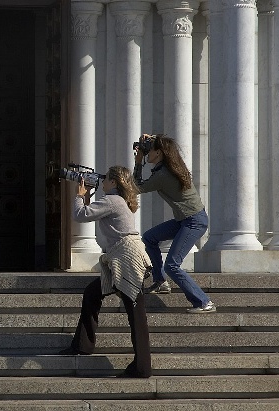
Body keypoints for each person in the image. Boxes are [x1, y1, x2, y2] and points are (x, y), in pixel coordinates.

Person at [58, 166, 153, 379]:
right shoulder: (118, 200)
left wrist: (79, 196)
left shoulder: (112, 200)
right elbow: (92, 212)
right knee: (93, 293)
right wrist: (88, 197)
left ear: (114, 182)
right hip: (122, 256)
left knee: (136, 311)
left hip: (126, 257)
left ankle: (142, 367)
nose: (102, 181)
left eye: (106, 178)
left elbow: (80, 215)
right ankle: (83, 345)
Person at [133, 133, 216, 314]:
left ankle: (203, 302)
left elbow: (136, 187)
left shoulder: (163, 174)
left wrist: (138, 161)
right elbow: (165, 145)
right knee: (149, 238)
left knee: (172, 264)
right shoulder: (172, 166)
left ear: (160, 153)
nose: (148, 153)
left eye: (151, 149)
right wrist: (154, 139)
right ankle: (161, 282)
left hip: (193, 221)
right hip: (185, 219)